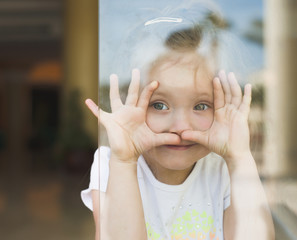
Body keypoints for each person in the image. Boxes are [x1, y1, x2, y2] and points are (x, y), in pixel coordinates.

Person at [81, 15, 274, 240]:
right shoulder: (111, 163)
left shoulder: (222, 168)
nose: (181, 127)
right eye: (159, 105)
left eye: (201, 105)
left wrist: (240, 158)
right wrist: (124, 161)